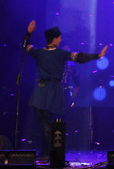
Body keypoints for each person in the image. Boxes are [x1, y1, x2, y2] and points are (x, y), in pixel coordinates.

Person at [24, 20, 108, 160]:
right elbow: (79, 57)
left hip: (44, 90)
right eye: (59, 37)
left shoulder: (39, 52)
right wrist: (96, 56)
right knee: (45, 120)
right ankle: (48, 152)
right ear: (55, 39)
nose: (61, 39)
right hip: (51, 89)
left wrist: (29, 32)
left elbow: (25, 46)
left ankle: (48, 152)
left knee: (45, 120)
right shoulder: (60, 53)